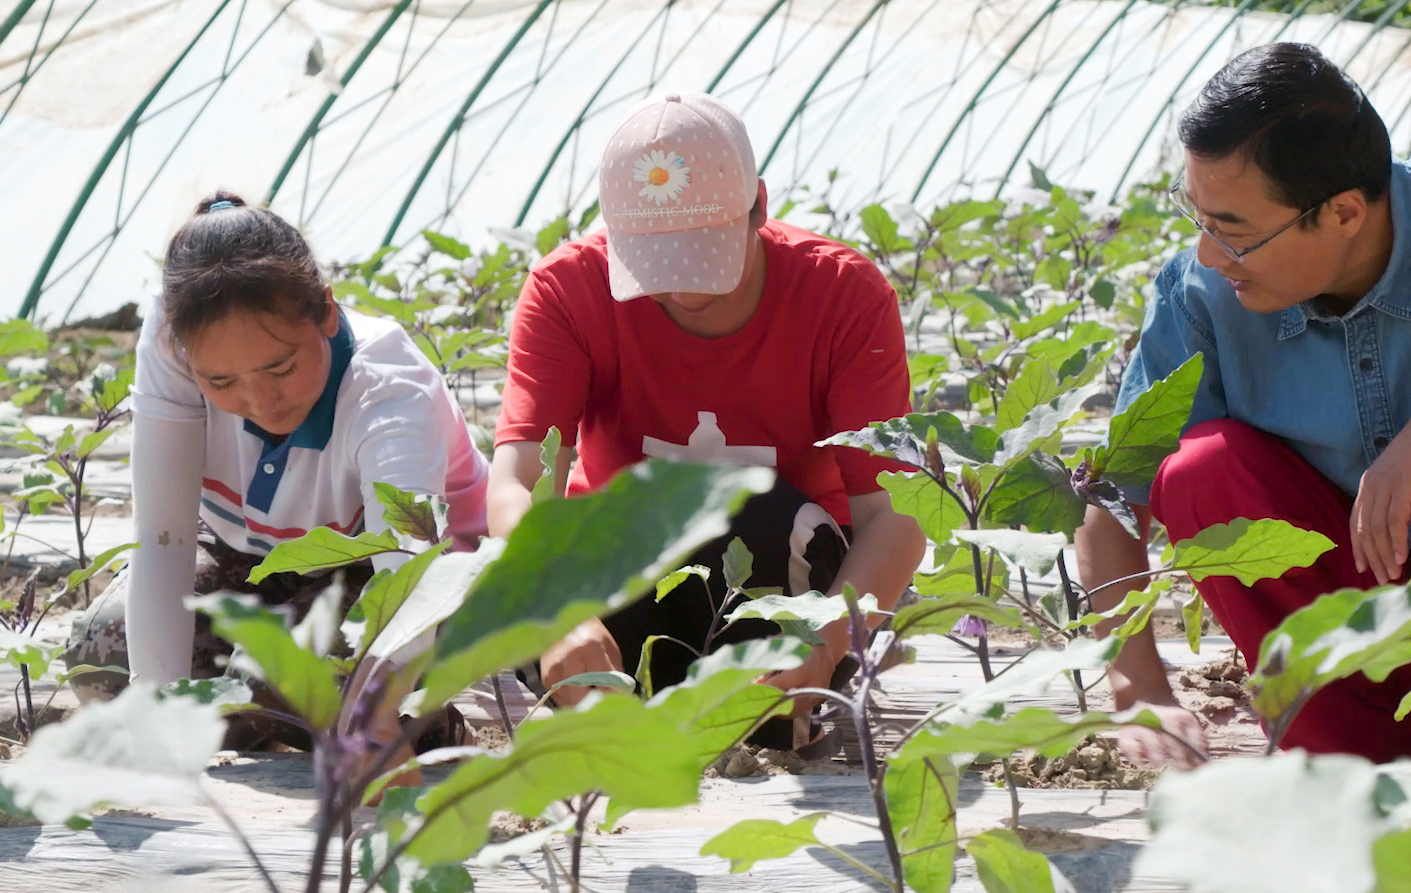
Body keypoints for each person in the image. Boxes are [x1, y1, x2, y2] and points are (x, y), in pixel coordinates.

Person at [1078, 42, 1411, 767]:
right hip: (1373, 652)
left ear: (1343, 212)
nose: (1209, 255)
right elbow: (1115, 502)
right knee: (1199, 467)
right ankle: (1357, 762)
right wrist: (1139, 689)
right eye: (1200, 219)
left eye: (1234, 230)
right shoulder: (1202, 297)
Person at [486, 93, 926, 733]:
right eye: (657, 263)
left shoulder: (842, 296)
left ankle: (781, 703)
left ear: (760, 207)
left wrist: (826, 642)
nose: (685, 290)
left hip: (790, 583)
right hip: (612, 579)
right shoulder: (569, 290)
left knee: (750, 508)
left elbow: (893, 512)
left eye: (705, 256)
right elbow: (518, 481)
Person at [66, 192, 489, 749]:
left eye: (282, 368)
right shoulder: (170, 336)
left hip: (379, 575)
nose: (260, 401)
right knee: (103, 655)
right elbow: (164, 541)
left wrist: (385, 713)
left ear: (328, 312)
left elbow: (405, 582)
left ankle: (426, 722)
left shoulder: (388, 390)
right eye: (220, 383)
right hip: (251, 555)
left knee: (270, 682)